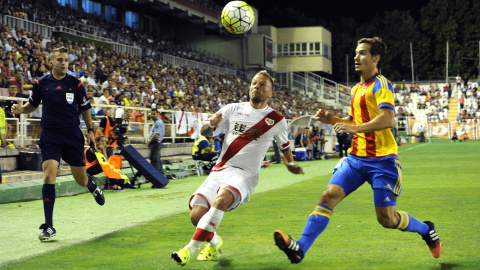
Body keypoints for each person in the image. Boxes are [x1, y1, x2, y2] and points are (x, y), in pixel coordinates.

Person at [273, 37, 442, 264]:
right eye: (356, 53)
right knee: (327, 196)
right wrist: (331, 118)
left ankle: (425, 229)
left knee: (387, 219)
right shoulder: (357, 89)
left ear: (376, 58)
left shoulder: (382, 84)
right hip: (355, 159)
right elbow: (354, 119)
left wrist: (355, 128)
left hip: (382, 161)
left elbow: (387, 119)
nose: (356, 57)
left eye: (362, 53)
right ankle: (300, 249)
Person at [171, 70, 304, 266]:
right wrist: (210, 126)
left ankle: (188, 250)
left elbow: (284, 146)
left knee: (222, 199)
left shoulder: (276, 119)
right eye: (254, 83)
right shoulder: (232, 109)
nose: (256, 87)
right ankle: (215, 243)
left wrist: (290, 164)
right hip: (221, 169)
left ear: (270, 93)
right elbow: (205, 130)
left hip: (245, 175)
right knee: (196, 216)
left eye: (262, 85)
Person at [11, 47, 105, 241]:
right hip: (50, 136)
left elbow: (85, 108)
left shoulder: (76, 84)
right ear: (51, 62)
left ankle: (91, 185)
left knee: (80, 180)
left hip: (72, 135)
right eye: (60, 60)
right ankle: (49, 226)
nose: (64, 63)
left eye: (66, 60)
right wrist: (21, 109)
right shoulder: (41, 83)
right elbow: (33, 105)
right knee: (48, 174)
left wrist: (90, 131)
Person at [147, 108, 165, 174]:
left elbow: (156, 135)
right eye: (151, 114)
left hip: (155, 143)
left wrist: (149, 142)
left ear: (157, 114)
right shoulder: (156, 122)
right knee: (157, 160)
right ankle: (161, 176)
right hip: (156, 143)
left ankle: (157, 176)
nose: (152, 115)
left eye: (154, 114)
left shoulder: (158, 122)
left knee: (154, 160)